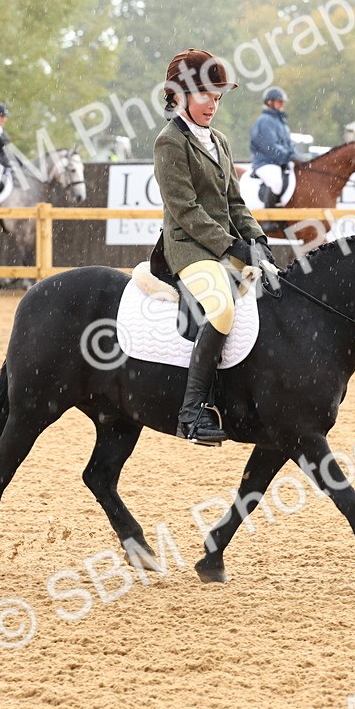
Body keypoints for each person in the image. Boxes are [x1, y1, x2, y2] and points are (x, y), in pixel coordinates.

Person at [155, 48, 274, 446]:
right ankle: (191, 414)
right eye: (206, 95)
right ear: (181, 93)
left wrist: (257, 238)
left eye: (219, 97)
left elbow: (234, 203)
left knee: (276, 294)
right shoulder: (170, 142)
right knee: (222, 307)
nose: (213, 105)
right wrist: (234, 248)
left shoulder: (219, 140)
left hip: (225, 245)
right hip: (189, 249)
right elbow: (186, 211)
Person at [249, 87, 303, 210]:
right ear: (269, 102)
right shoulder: (264, 121)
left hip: (280, 161)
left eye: (282, 102)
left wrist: (294, 155)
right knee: (276, 182)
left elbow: (289, 143)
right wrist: (288, 156)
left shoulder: (280, 121)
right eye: (279, 101)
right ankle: (269, 218)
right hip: (266, 162)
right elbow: (270, 146)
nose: (282, 104)